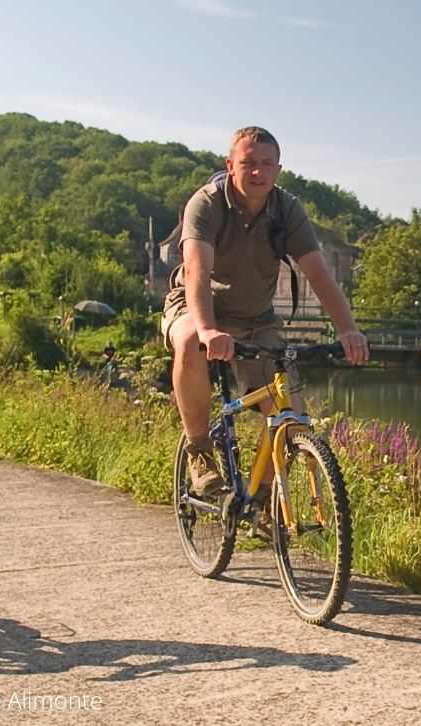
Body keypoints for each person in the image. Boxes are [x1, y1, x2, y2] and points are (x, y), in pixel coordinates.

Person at [162, 126, 369, 498]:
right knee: (190, 340)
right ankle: (199, 452)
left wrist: (348, 331)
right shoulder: (206, 204)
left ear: (278, 170)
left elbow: (318, 274)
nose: (257, 172)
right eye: (248, 163)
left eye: (266, 164)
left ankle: (261, 500)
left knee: (290, 414)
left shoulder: (286, 209)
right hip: (196, 306)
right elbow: (196, 270)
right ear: (231, 165)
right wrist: (208, 330)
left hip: (255, 319)